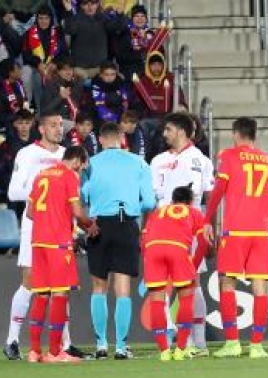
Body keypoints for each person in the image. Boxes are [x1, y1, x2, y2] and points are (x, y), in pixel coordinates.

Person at [3, 111, 86, 360]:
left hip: (61, 228)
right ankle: (13, 340)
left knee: (61, 287)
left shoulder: (65, 155)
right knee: (31, 283)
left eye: (61, 125)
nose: (58, 129)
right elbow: (13, 192)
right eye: (52, 125)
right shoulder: (27, 154)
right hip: (36, 226)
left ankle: (63, 344)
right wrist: (45, 188)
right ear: (40, 129)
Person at [203, 117, 268, 359]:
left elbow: (218, 190)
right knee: (261, 287)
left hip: (235, 230)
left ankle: (233, 343)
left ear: (236, 134)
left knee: (227, 283)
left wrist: (208, 219)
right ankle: (257, 346)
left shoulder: (228, 156)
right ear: (254, 134)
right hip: (260, 232)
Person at [82, 121, 155, 359]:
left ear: (101, 140)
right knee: (122, 288)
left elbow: (81, 195)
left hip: (99, 226)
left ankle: (101, 345)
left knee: (99, 287)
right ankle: (122, 347)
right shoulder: (138, 162)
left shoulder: (90, 164)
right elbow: (150, 203)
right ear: (121, 138)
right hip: (126, 224)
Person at [150, 112, 214, 357]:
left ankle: (198, 344)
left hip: (188, 231)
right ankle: (171, 341)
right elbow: (155, 197)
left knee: (192, 283)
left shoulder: (198, 159)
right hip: (162, 229)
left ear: (182, 131)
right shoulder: (157, 161)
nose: (164, 134)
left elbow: (201, 194)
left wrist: (208, 226)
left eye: (168, 129)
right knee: (161, 288)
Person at [25, 146, 97, 363]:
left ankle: (34, 351)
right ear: (77, 160)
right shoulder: (69, 176)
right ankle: (56, 352)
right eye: (82, 167)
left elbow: (29, 212)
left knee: (41, 295)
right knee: (59, 295)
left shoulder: (41, 175)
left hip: (38, 242)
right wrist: (89, 225)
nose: (81, 172)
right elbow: (77, 211)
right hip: (58, 243)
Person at [142, 186, 208, 362]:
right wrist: (193, 265)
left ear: (172, 200)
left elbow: (143, 239)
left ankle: (164, 351)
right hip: (178, 249)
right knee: (186, 298)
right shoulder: (194, 212)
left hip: (152, 250)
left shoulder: (158, 212)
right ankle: (180, 349)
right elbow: (203, 243)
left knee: (157, 301)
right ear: (191, 201)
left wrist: (148, 259)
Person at [62, 0, 125, 79]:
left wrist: (120, 14)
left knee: (120, 78)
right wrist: (68, 10)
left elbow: (117, 28)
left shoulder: (103, 18)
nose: (90, 6)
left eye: (93, 2)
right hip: (80, 69)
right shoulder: (75, 18)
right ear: (81, 6)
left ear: (98, 4)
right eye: (85, 3)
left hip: (100, 69)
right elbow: (70, 30)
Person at [20, 5, 67, 111]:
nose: (43, 21)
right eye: (41, 18)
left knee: (41, 77)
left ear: (51, 19)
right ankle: (27, 108)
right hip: (34, 66)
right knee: (28, 73)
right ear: (36, 19)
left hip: (53, 66)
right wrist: (38, 63)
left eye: (46, 18)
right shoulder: (29, 33)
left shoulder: (58, 32)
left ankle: (46, 110)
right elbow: (26, 54)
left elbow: (64, 53)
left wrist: (55, 63)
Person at [40, 56, 82, 124]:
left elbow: (79, 105)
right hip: (57, 121)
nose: (68, 72)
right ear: (58, 71)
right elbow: (45, 110)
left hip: (74, 120)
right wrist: (60, 97)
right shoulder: (51, 85)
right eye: (65, 70)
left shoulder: (77, 85)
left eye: (70, 69)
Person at [89, 60, 130, 128]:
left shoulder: (120, 82)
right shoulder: (96, 84)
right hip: (100, 115)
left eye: (113, 74)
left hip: (119, 112)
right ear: (101, 75)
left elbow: (126, 100)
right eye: (106, 74)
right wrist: (115, 97)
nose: (110, 77)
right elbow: (99, 106)